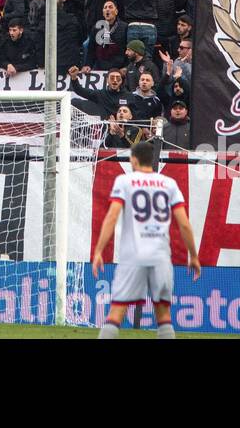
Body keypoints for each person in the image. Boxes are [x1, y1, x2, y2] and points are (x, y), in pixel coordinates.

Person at [91, 140, 200, 338]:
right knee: (164, 316)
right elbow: (184, 223)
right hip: (160, 256)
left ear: (133, 160)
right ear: (151, 160)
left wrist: (98, 251)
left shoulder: (124, 181)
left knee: (116, 313)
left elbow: (112, 216)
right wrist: (193, 255)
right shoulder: (169, 184)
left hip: (132, 256)